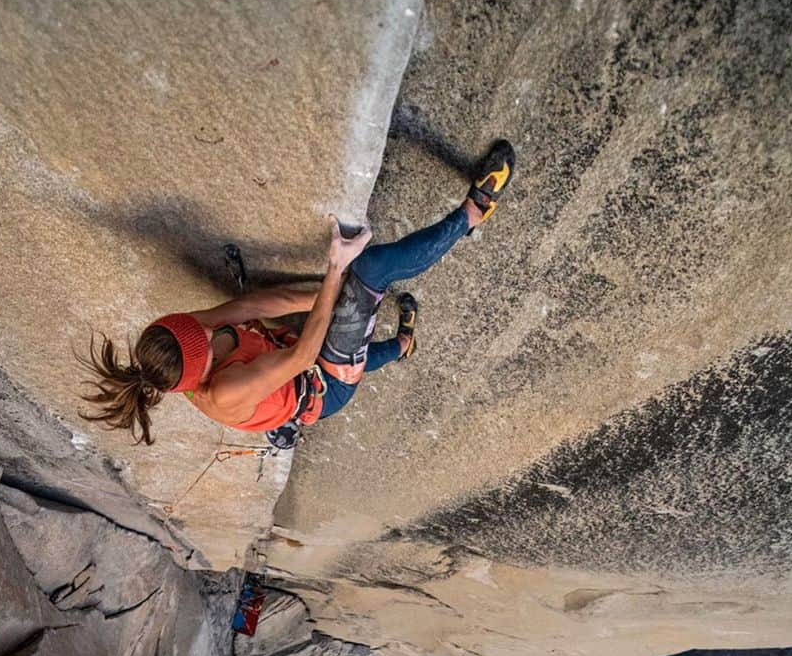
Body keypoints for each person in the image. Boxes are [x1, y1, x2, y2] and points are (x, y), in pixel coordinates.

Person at [79, 142, 515, 450]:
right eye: (208, 344)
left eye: (200, 327)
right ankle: (473, 214)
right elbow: (306, 356)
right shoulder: (223, 392)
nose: (209, 330)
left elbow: (253, 306)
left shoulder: (180, 339)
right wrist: (337, 271)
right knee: (371, 271)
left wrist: (331, 295)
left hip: (292, 354)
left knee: (352, 310)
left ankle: (402, 347)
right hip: (321, 384)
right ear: (201, 372)